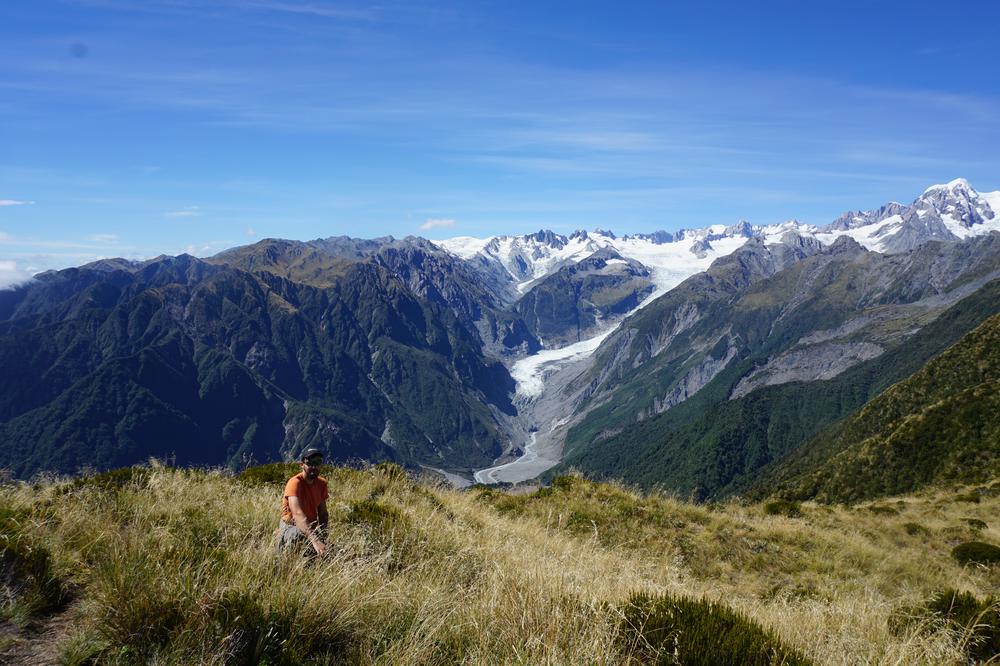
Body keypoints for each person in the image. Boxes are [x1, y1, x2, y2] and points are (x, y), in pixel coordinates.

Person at [277, 448, 329, 556]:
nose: (314, 467)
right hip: (291, 526)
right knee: (298, 536)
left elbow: (323, 513)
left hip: (310, 528)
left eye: (318, 463)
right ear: (302, 465)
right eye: (310, 463)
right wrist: (315, 540)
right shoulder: (295, 483)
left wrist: (324, 537)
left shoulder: (321, 484)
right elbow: (297, 514)